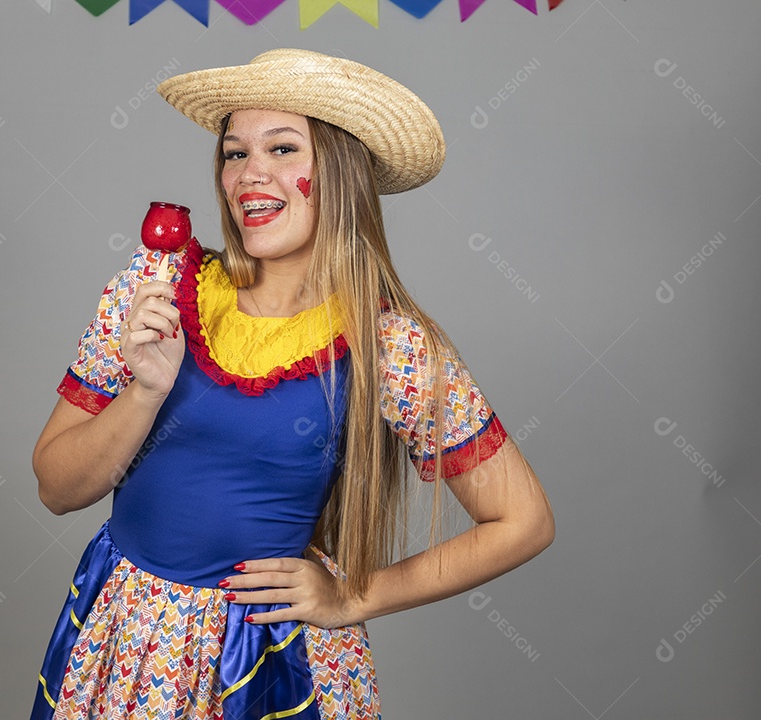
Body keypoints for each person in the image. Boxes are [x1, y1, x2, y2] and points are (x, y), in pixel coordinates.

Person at [29, 48, 555, 720]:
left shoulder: (386, 346)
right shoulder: (154, 291)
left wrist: (352, 598)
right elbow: (56, 489)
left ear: (341, 173)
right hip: (126, 639)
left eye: (282, 149)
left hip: (271, 662)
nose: (251, 174)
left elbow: (524, 521)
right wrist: (146, 389)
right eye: (234, 152)